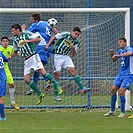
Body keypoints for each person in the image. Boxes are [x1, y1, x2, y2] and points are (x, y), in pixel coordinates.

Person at [11, 24, 62, 105]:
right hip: (27, 61)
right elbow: (15, 51)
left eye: (13, 30)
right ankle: (40, 94)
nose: (12, 32)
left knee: (42, 72)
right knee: (26, 79)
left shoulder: (26, 34)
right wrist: (9, 57)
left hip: (33, 57)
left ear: (18, 30)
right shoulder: (15, 40)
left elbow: (38, 39)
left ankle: (57, 85)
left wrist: (28, 41)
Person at [21, 13, 62, 101]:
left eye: (31, 19)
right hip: (49, 47)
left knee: (39, 68)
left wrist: (23, 29)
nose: (31, 21)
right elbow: (55, 31)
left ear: (35, 19)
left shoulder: (36, 24)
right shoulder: (46, 23)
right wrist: (56, 33)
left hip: (42, 47)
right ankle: (34, 87)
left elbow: (26, 34)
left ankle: (47, 81)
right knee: (38, 68)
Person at [45, 27, 90, 96]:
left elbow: (73, 55)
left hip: (66, 56)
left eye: (78, 34)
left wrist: (73, 48)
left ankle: (82, 88)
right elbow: (53, 38)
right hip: (57, 55)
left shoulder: (76, 42)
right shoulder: (65, 34)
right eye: (75, 34)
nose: (76, 35)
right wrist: (47, 46)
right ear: (72, 32)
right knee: (57, 75)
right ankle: (56, 94)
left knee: (73, 70)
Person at [104, 38, 133, 118]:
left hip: (129, 75)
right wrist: (112, 54)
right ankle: (112, 111)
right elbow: (114, 59)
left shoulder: (128, 49)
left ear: (125, 43)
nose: (119, 44)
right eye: (118, 42)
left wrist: (119, 55)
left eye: (120, 42)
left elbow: (130, 53)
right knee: (113, 90)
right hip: (121, 74)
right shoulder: (120, 51)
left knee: (121, 92)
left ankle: (123, 112)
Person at [0, 37, 20, 110]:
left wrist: (16, 54)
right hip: (0, 68)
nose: (5, 42)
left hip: (5, 68)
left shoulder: (11, 48)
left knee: (11, 85)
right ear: (1, 42)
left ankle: (13, 102)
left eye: (6, 41)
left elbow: (16, 52)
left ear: (8, 42)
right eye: (3, 41)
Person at [0, 51, 8, 120]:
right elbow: (6, 59)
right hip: (3, 78)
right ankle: (2, 116)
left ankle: (3, 116)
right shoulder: (0, 52)